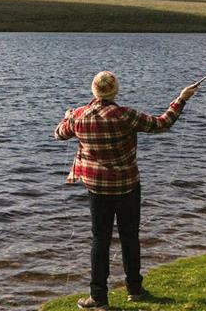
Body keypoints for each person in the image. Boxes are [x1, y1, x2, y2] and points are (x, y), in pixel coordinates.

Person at [54, 70, 198, 310]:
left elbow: (59, 134)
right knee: (130, 237)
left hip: (97, 189)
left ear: (94, 91)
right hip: (128, 186)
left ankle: (98, 298)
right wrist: (181, 98)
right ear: (115, 91)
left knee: (100, 240)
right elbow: (163, 123)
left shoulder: (78, 116)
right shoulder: (126, 115)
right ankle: (135, 289)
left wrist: (67, 117)